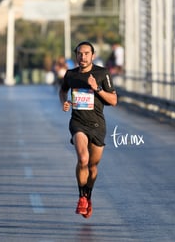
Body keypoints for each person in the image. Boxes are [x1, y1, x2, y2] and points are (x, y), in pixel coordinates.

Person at [59, 41, 118, 219]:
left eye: (86, 53)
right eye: (79, 53)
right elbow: (62, 91)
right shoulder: (70, 75)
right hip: (78, 123)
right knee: (83, 158)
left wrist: (97, 88)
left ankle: (88, 197)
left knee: (92, 167)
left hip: (98, 125)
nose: (82, 57)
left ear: (92, 56)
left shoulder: (102, 74)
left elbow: (114, 101)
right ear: (76, 56)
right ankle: (81, 198)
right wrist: (65, 102)